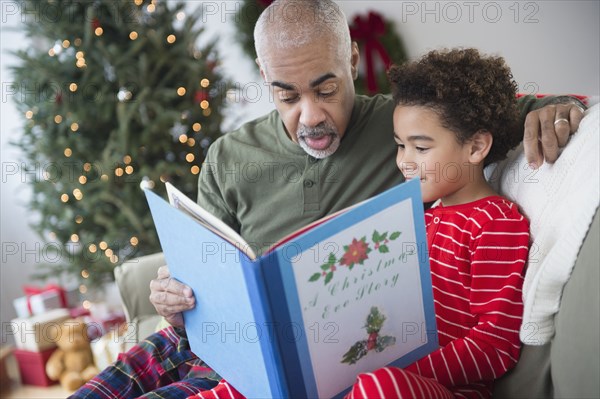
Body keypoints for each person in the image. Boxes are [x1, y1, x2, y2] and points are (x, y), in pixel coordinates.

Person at [71, 1, 585, 398]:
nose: (311, 115)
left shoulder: (405, 126)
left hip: (331, 363)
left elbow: (486, 115)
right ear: (265, 76)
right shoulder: (229, 157)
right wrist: (176, 299)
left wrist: (556, 108)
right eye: (288, 96)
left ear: (353, 60)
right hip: (221, 341)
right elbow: (202, 270)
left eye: (326, 88)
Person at [343, 48, 530, 399]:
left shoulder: (496, 223)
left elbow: (495, 344)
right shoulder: (421, 219)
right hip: (379, 371)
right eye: (400, 146)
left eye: (421, 148)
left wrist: (400, 371)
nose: (405, 162)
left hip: (446, 389)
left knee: (377, 387)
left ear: (476, 146)